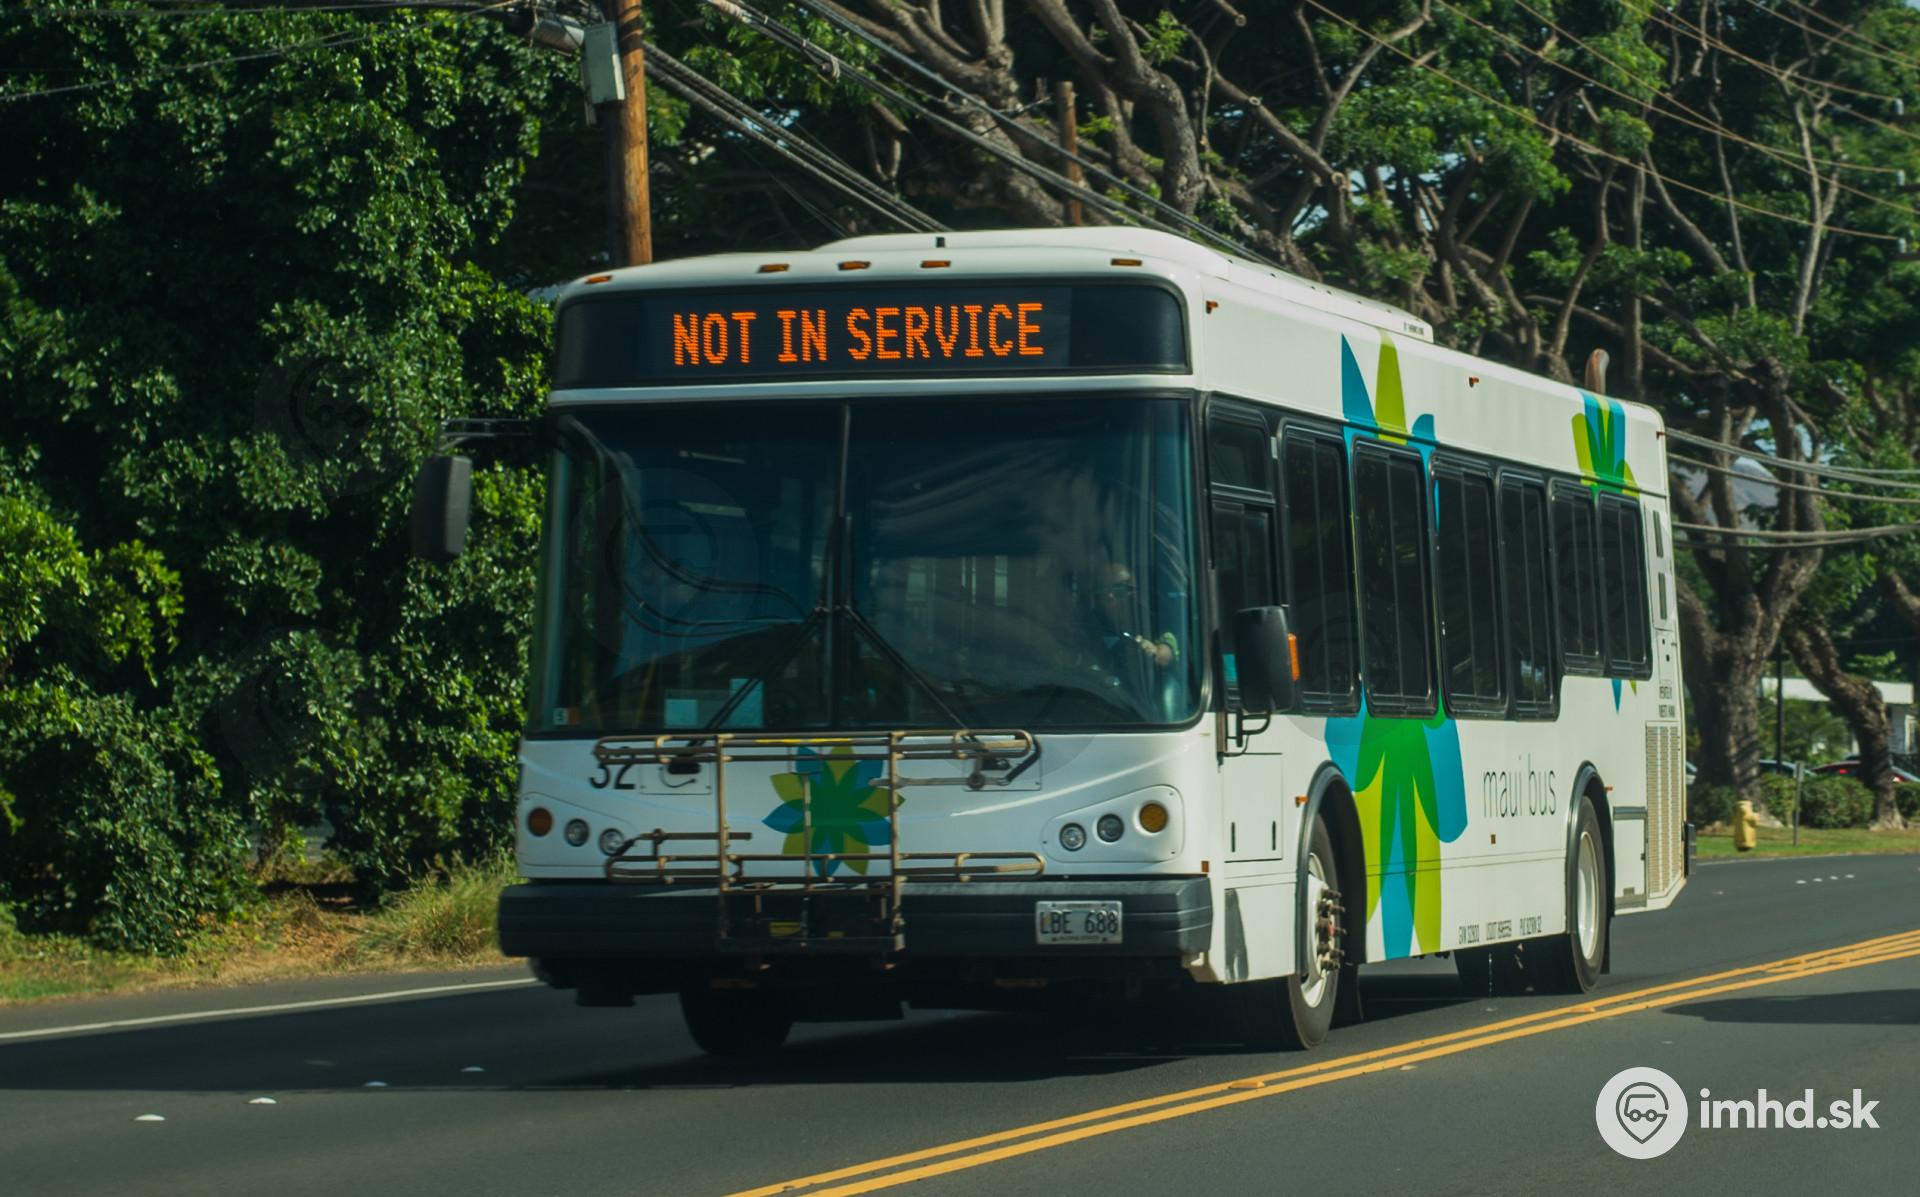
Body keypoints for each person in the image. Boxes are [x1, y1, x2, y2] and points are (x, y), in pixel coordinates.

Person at [1090, 561, 1179, 674]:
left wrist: (1154, 652)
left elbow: (1168, 648)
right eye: (1103, 590)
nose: (1110, 595)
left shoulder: (1156, 619)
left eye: (1118, 589)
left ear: (1135, 592)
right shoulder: (1092, 625)